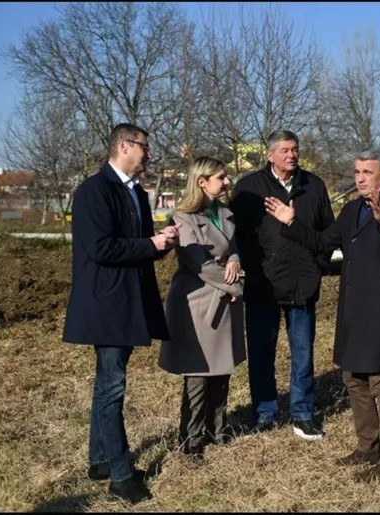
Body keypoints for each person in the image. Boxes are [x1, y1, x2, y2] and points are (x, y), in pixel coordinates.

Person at [264, 149, 380, 483]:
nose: (360, 178)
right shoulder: (350, 210)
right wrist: (292, 222)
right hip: (354, 310)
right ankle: (368, 446)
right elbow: (322, 243)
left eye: (367, 172)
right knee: (355, 379)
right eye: (357, 171)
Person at [62, 123, 179, 504]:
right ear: (125, 146)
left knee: (107, 383)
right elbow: (101, 248)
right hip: (107, 305)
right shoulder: (94, 191)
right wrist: (150, 242)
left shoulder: (136, 194)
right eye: (144, 146)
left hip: (128, 303)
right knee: (113, 387)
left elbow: (138, 246)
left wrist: (162, 244)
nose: (148, 154)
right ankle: (120, 474)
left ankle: (100, 460)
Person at [229, 130, 334, 441]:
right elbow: (236, 235)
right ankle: (265, 412)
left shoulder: (313, 186)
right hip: (263, 285)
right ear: (270, 154)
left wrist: (319, 265)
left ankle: (303, 413)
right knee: (262, 352)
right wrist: (247, 265)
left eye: (295, 149)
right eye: (285, 150)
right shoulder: (249, 188)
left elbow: (327, 232)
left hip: (302, 283)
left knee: (302, 351)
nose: (292, 155)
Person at [158, 156, 244, 459]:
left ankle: (217, 430)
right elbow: (199, 264)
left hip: (224, 301)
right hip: (198, 304)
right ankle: (190, 440)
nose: (227, 182)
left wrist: (235, 259)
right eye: (221, 177)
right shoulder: (182, 217)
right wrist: (236, 285)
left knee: (222, 370)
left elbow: (234, 248)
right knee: (198, 373)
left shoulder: (224, 212)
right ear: (202, 181)